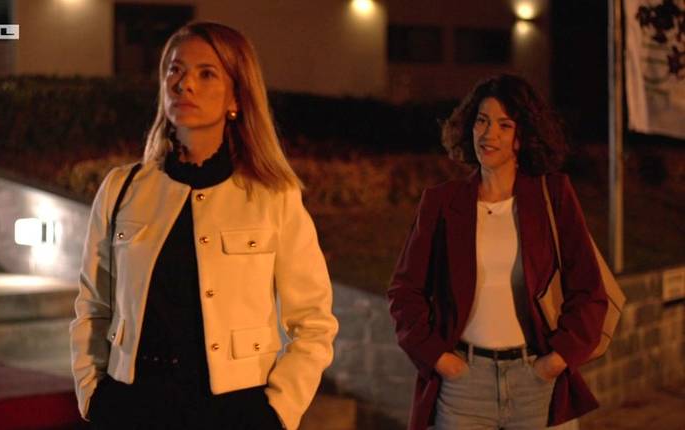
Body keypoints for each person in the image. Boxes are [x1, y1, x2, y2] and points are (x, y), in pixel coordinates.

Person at [70, 22, 338, 430]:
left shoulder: (273, 196)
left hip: (234, 412)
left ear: (236, 97)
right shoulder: (121, 189)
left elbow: (314, 322)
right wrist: (93, 393)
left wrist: (277, 412)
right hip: (134, 404)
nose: (185, 84)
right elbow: (93, 306)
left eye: (206, 73)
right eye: (175, 70)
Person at [388, 74, 608, 430]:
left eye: (504, 125)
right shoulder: (441, 202)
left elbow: (588, 288)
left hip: (535, 382)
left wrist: (556, 360)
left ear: (524, 136)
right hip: (463, 387)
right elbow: (405, 291)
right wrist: (440, 359)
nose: (488, 134)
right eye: (481, 121)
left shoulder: (552, 196)